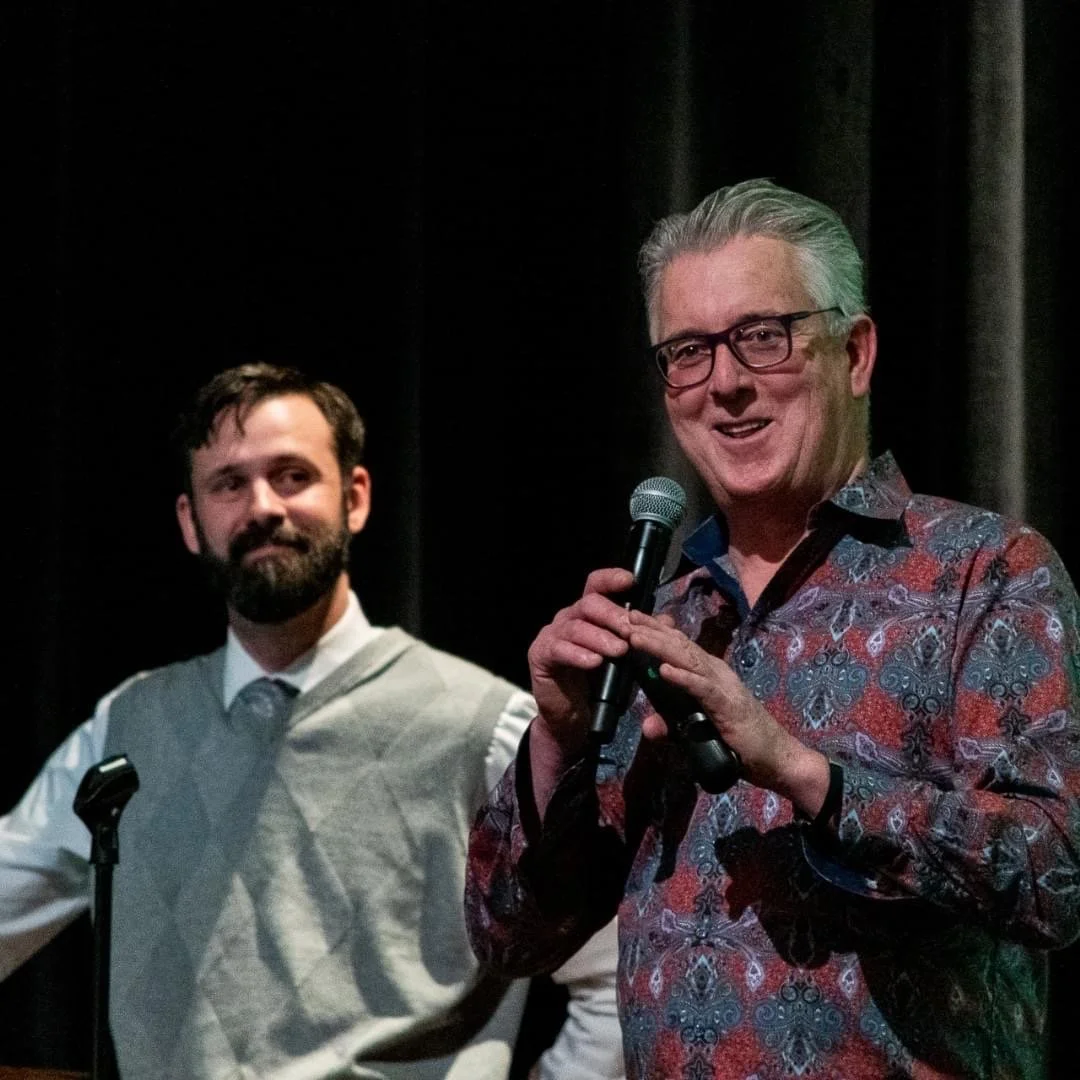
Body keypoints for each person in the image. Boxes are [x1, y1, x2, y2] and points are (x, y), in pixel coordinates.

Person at [465, 179, 1080, 1078]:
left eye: (763, 337)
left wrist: (801, 771)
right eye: (688, 351)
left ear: (856, 353)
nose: (726, 384)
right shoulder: (662, 621)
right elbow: (509, 934)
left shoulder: (983, 573)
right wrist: (555, 742)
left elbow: (1054, 875)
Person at [0, 363, 624, 1080]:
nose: (262, 506)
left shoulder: (481, 725)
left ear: (355, 497)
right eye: (229, 484)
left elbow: (614, 968)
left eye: (292, 475)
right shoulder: (130, 727)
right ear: (189, 522)